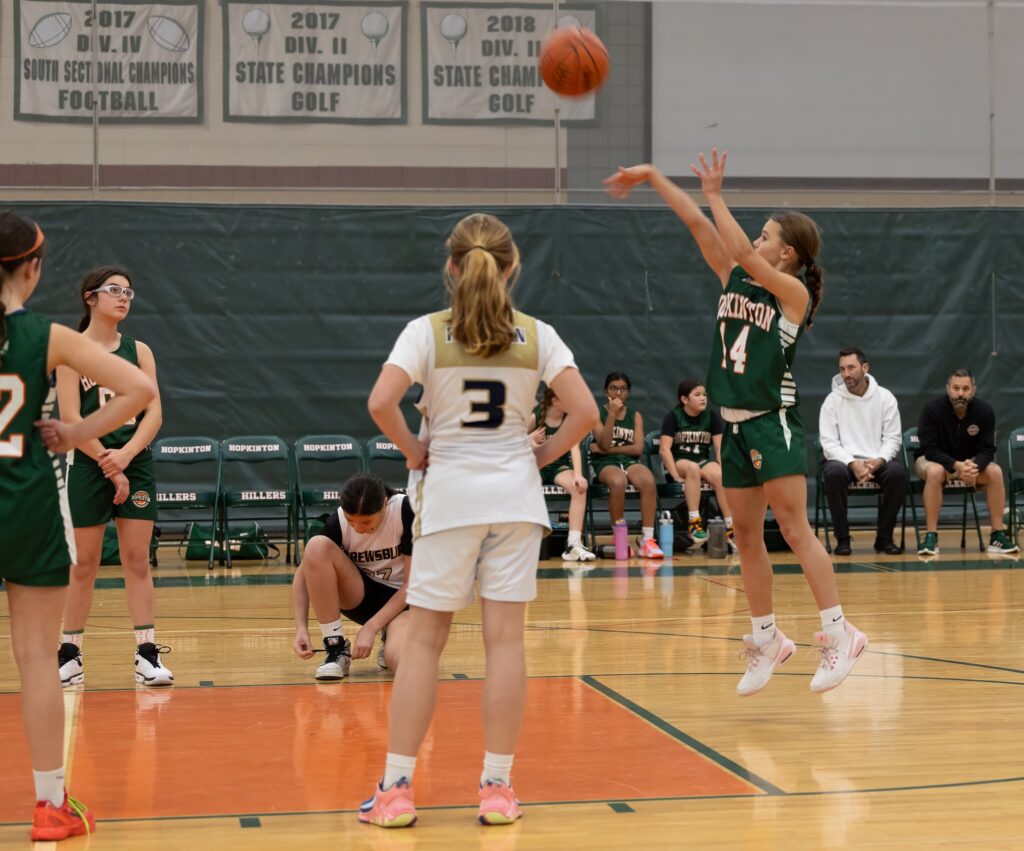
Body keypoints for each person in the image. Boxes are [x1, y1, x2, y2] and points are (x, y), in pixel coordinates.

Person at [359, 213, 597, 828]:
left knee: (424, 645)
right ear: (512, 268)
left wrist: (414, 450)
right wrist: (540, 455)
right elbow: (587, 412)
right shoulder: (538, 335)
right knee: (505, 645)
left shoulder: (426, 332)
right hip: (516, 502)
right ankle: (497, 787)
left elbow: (380, 403)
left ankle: (398, 789)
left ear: (451, 267)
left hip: (450, 500)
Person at [606, 151, 868, 696]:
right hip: (736, 426)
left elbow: (745, 254)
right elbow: (700, 225)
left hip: (774, 423)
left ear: (786, 252)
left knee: (794, 530)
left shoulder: (792, 295)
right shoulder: (733, 278)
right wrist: (656, 177)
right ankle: (768, 638)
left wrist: (718, 193)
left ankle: (841, 633)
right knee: (746, 535)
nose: (755, 239)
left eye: (765, 234)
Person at [0, 212, 154, 840]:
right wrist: (76, 433)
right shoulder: (48, 336)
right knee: (37, 659)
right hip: (26, 502)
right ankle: (49, 806)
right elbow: (139, 388)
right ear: (33, 268)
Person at [55, 267, 171, 688]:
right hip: (88, 461)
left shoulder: (140, 350)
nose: (123, 298)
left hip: (134, 459)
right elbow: (70, 417)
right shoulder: (70, 351)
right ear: (91, 297)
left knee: (137, 559)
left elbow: (154, 412)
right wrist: (108, 461)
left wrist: (125, 456)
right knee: (83, 563)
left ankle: (146, 654)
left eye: (128, 292)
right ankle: (69, 654)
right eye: (114, 291)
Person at [292, 472, 413, 678]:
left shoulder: (406, 511)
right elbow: (303, 575)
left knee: (405, 662)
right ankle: (336, 647)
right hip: (362, 596)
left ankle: (389, 636)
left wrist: (371, 628)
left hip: (405, 603)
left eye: (366, 522)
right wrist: (301, 628)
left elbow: (412, 585)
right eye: (351, 521)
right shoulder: (337, 521)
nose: (358, 528)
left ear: (384, 503)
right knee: (316, 545)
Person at [914, 369, 1018, 555]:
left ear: (973, 390)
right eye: (956, 388)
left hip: (969, 465)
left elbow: (987, 449)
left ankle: (997, 535)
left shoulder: (984, 411)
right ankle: (931, 537)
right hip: (934, 461)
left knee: (995, 472)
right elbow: (929, 450)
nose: (960, 393)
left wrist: (973, 466)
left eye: (965, 388)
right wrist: (957, 466)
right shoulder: (932, 410)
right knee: (935, 471)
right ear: (948, 389)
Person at [819, 347, 907, 555]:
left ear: (865, 368)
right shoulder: (832, 401)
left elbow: (893, 438)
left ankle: (884, 538)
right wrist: (851, 462)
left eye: (851, 367)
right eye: (842, 369)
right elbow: (829, 442)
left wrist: (879, 460)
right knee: (833, 473)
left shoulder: (885, 398)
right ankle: (842, 539)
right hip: (843, 462)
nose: (846, 374)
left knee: (898, 474)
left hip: (876, 461)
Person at [591, 372, 663, 558]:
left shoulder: (635, 415)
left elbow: (637, 449)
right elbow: (605, 442)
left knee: (648, 480)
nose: (618, 393)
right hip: (604, 463)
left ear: (628, 393)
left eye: (623, 389)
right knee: (618, 481)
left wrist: (605, 449)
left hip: (629, 461)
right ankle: (620, 537)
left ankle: (647, 539)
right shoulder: (596, 413)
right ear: (606, 391)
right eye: (613, 388)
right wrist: (612, 415)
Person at [659, 378, 734, 548]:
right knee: (692, 469)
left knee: (721, 476)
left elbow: (719, 447)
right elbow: (664, 449)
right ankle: (694, 522)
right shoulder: (673, 417)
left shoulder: (711, 416)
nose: (703, 398)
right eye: (697, 395)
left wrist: (721, 466)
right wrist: (675, 475)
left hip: (702, 461)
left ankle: (730, 525)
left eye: (705, 395)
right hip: (678, 461)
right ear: (684, 399)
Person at [528, 387, 595, 562]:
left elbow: (575, 448)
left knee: (579, 488)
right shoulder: (535, 417)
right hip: (536, 465)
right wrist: (530, 440)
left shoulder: (569, 420)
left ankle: (573, 544)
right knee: (520, 485)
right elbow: (513, 440)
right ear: (555, 401)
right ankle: (520, 542)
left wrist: (579, 475)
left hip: (558, 466)